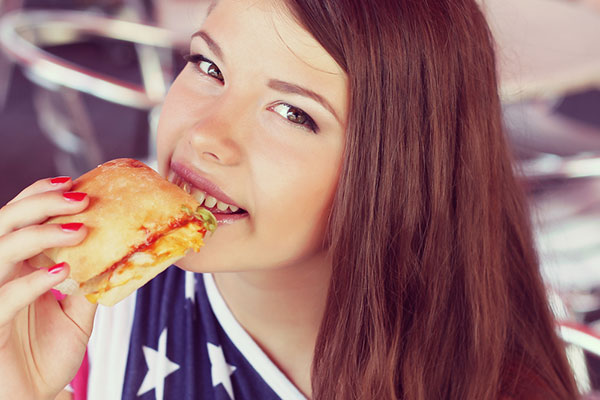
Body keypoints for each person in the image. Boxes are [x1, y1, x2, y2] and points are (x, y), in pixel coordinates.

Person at [0, 0, 580, 399]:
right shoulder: (84, 303)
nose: (205, 135)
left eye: (293, 113)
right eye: (208, 65)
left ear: (400, 170)